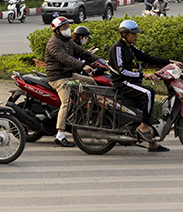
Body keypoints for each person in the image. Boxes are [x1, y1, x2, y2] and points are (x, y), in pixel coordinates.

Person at [108, 19, 170, 151]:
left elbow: (146, 57)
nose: (136, 36)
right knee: (148, 92)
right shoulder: (118, 48)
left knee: (146, 96)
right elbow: (121, 71)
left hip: (130, 82)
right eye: (133, 33)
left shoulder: (130, 47)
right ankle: (143, 126)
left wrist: (169, 62)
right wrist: (143, 75)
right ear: (124, 34)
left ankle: (152, 143)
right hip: (122, 83)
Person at [44, 16, 100, 149]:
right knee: (67, 102)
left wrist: (101, 62)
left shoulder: (67, 41)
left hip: (69, 74)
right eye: (64, 28)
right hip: (58, 77)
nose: (68, 30)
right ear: (57, 31)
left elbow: (82, 52)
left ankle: (80, 112)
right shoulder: (54, 43)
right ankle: (60, 135)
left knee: (93, 83)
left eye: (68, 27)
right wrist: (83, 66)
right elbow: (65, 58)